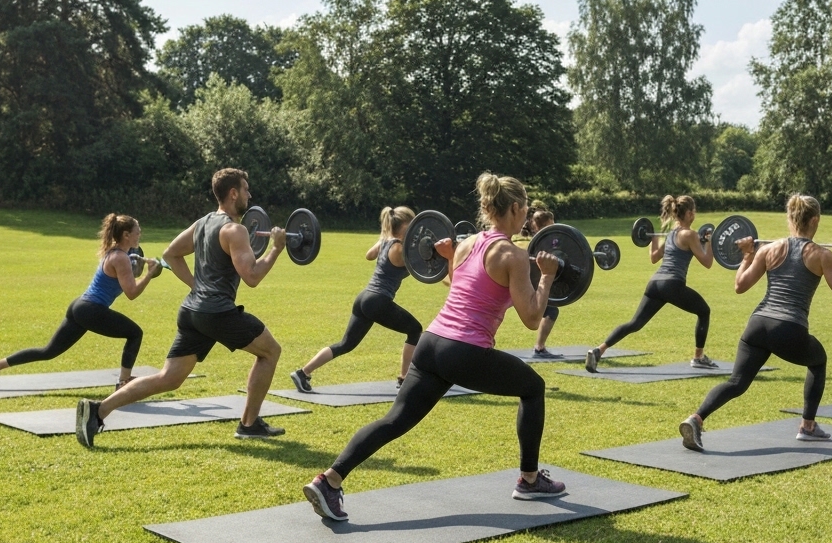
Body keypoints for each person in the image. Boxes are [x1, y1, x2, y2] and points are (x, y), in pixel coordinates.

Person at [303, 172, 566, 521]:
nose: (527, 216)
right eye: (526, 209)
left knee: (395, 419)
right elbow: (533, 318)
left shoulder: (467, 244)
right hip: (464, 350)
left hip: (431, 343)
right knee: (533, 388)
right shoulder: (513, 255)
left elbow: (461, 285)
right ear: (516, 208)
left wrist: (447, 255)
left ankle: (329, 481)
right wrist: (546, 276)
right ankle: (530, 480)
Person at [75, 168, 286, 447]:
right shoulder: (235, 230)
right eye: (246, 189)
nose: (250, 194)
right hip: (217, 312)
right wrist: (276, 248)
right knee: (270, 351)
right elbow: (252, 277)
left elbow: (170, 254)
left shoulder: (203, 223)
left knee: (169, 378)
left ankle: (98, 410)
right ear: (233, 193)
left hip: (192, 312)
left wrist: (196, 285)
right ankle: (249, 424)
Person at [679, 194, 832, 450]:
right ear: (815, 220)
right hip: (789, 327)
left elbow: (740, 285)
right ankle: (808, 426)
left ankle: (696, 418)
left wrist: (747, 255)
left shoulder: (768, 249)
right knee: (818, 360)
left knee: (737, 382)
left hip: (757, 324)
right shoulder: (822, 255)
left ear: (790, 218)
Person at [0, 214, 161, 392]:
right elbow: (131, 292)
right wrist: (149, 275)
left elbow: (128, 269)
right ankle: (123, 382)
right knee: (135, 333)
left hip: (79, 307)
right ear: (126, 235)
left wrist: (142, 265)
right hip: (91, 310)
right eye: (138, 232)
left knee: (48, 351)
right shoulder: (120, 258)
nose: (140, 235)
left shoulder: (115, 252)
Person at [290, 206, 422, 392]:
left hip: (364, 298)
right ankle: (403, 379)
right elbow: (422, 263)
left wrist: (385, 237)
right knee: (414, 329)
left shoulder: (387, 242)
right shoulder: (401, 249)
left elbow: (369, 255)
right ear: (406, 226)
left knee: (346, 344)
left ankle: (303, 372)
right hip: (378, 300)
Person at [586, 194, 717, 373]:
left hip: (655, 284)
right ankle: (698, 357)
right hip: (672, 284)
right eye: (693, 211)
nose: (694, 214)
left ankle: (598, 350)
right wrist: (709, 243)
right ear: (689, 214)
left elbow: (654, 256)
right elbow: (707, 262)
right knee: (704, 311)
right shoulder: (690, 234)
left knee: (635, 323)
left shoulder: (671, 234)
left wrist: (653, 239)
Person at [524, 207, 564, 359]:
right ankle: (539, 348)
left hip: (531, 282)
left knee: (551, 310)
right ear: (540, 226)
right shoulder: (537, 242)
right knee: (552, 310)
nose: (554, 227)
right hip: (529, 283)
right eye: (550, 225)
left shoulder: (547, 240)